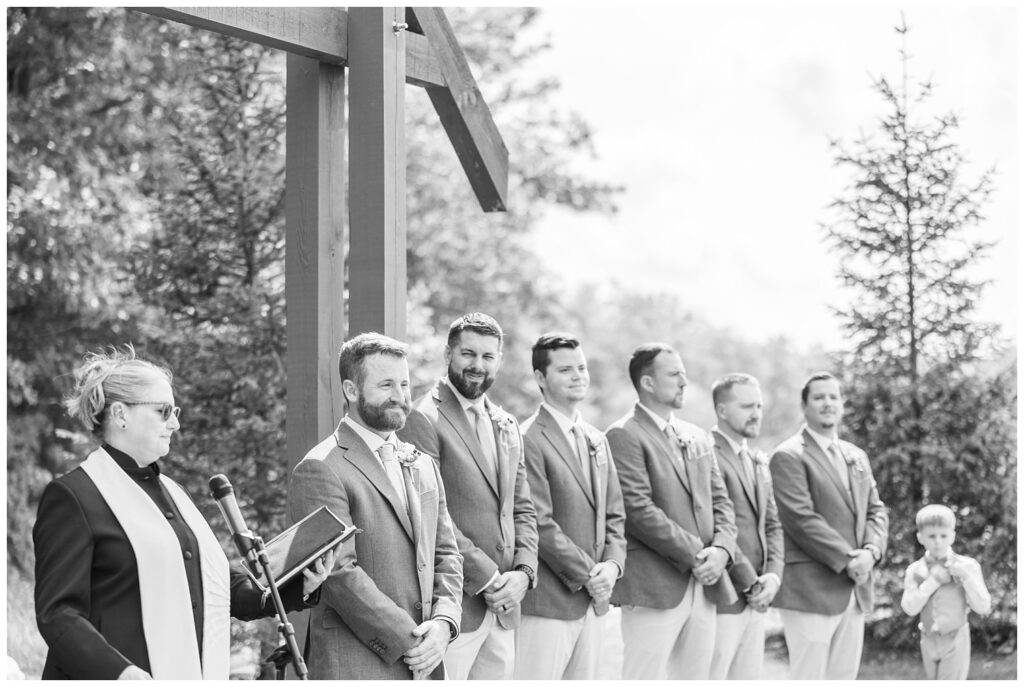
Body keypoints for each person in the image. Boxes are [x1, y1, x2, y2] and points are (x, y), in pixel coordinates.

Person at [33, 346, 333, 680]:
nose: (175, 423)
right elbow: (58, 614)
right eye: (163, 411)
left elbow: (221, 590)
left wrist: (301, 584)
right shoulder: (74, 495)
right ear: (120, 414)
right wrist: (119, 672)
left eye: (175, 411)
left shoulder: (175, 494)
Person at [287, 333, 463, 680]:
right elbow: (338, 572)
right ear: (351, 391)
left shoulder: (422, 463)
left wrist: (444, 624)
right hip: (358, 663)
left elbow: (447, 553)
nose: (400, 397)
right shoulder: (321, 467)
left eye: (404, 384)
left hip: (427, 660)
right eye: (386, 385)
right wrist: (412, 641)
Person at [398, 312, 539, 680]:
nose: (478, 365)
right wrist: (491, 579)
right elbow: (431, 515)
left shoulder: (506, 424)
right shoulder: (423, 419)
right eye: (468, 354)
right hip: (456, 605)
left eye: (488, 356)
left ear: (499, 360)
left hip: (506, 605)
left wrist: (523, 573)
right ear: (448, 354)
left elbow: (522, 507)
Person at [605, 342, 738, 680]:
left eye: (684, 373)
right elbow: (637, 509)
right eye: (675, 373)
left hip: (706, 583)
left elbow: (721, 502)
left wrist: (722, 550)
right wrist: (699, 554)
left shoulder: (696, 435)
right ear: (648, 383)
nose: (684, 381)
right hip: (654, 585)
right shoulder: (623, 434)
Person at [514, 333, 627, 680]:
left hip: (595, 601)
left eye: (582, 367)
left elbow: (615, 513)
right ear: (540, 378)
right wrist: (589, 576)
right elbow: (540, 523)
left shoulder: (597, 438)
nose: (579, 375)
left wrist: (612, 566)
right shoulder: (527, 437)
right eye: (566, 369)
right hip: (548, 601)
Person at [769, 371, 889, 680]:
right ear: (805, 406)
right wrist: (851, 559)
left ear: (842, 404)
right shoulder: (788, 455)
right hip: (811, 587)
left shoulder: (856, 455)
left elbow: (876, 509)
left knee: (843, 677)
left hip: (855, 587)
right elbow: (801, 519)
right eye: (819, 397)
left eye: (834, 397)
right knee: (809, 677)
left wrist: (872, 552)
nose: (827, 403)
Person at [707, 373, 784, 679]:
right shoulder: (706, 454)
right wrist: (750, 582)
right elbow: (713, 525)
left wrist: (773, 578)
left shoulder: (756, 460)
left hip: (758, 598)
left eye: (759, 406)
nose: (756, 414)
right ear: (722, 410)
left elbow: (774, 525)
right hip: (723, 594)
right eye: (747, 406)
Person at [900, 504, 991, 680]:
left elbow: (983, 606)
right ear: (920, 537)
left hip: (956, 638)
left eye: (943, 535)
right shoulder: (915, 570)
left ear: (953, 536)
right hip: (927, 639)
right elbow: (909, 608)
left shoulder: (968, 566)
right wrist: (932, 582)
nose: (938, 541)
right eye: (932, 536)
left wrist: (966, 578)